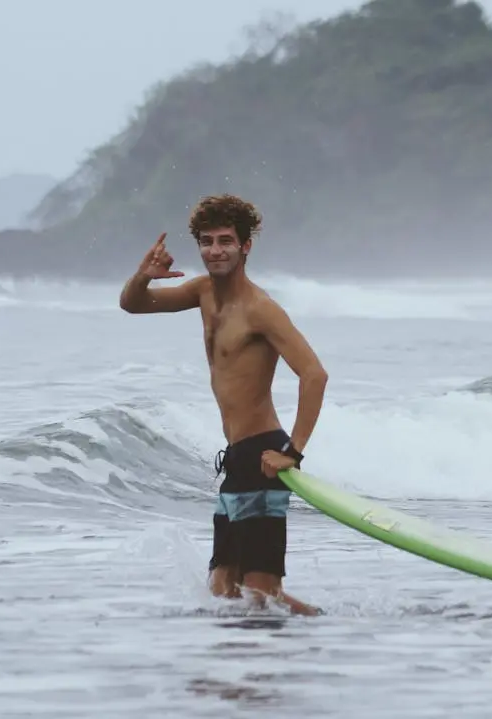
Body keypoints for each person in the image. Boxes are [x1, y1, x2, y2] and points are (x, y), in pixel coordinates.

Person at [118, 194, 327, 617]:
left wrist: (292, 452)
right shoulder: (203, 294)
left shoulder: (260, 310)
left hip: (264, 455)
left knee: (262, 598)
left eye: (226, 241)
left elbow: (314, 374)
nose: (216, 250)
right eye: (208, 241)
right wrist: (144, 276)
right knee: (224, 592)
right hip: (235, 459)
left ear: (245, 246)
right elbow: (133, 304)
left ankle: (336, 636)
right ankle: (233, 676)